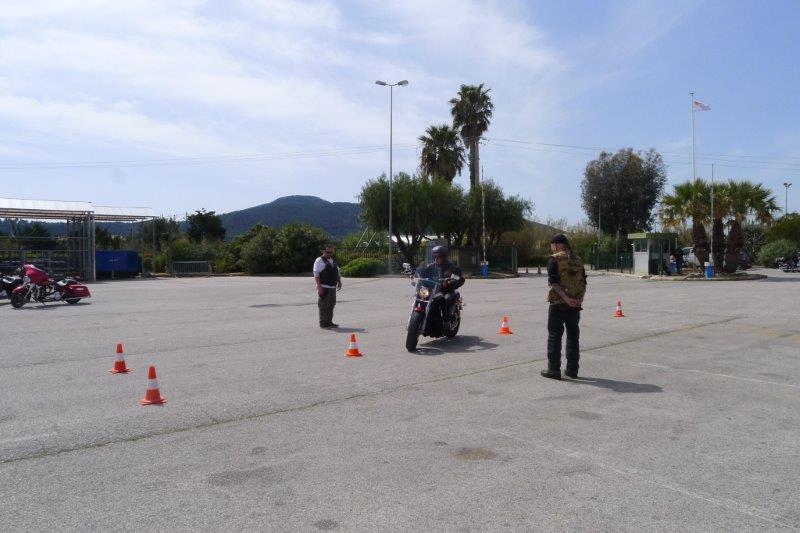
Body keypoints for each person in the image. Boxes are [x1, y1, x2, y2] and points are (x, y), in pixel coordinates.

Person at [541, 234, 587, 380]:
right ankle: (572, 370)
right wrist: (579, 299)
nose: (551, 248)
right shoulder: (578, 260)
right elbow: (584, 281)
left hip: (558, 304)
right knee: (573, 336)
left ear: (556, 245)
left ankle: (554, 370)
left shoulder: (554, 259)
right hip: (575, 304)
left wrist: (566, 299)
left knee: (554, 336)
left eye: (552, 245)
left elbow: (553, 282)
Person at [415, 245, 464, 330]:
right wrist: (414, 273)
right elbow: (421, 273)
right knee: (421, 296)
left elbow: (460, 278)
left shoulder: (451, 267)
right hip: (433, 290)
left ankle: (446, 322)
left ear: (443, 257)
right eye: (435, 256)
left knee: (446, 300)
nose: (436, 258)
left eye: (438, 257)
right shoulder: (430, 266)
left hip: (446, 291)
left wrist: (451, 282)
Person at [313, 244, 342, 328]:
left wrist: (339, 281)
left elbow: (337, 271)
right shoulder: (319, 260)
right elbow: (316, 274)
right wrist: (319, 287)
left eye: (331, 252)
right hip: (324, 287)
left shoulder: (332, 261)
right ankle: (323, 323)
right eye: (328, 252)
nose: (329, 254)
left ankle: (329, 322)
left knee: (331, 305)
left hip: (332, 287)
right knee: (323, 306)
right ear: (323, 251)